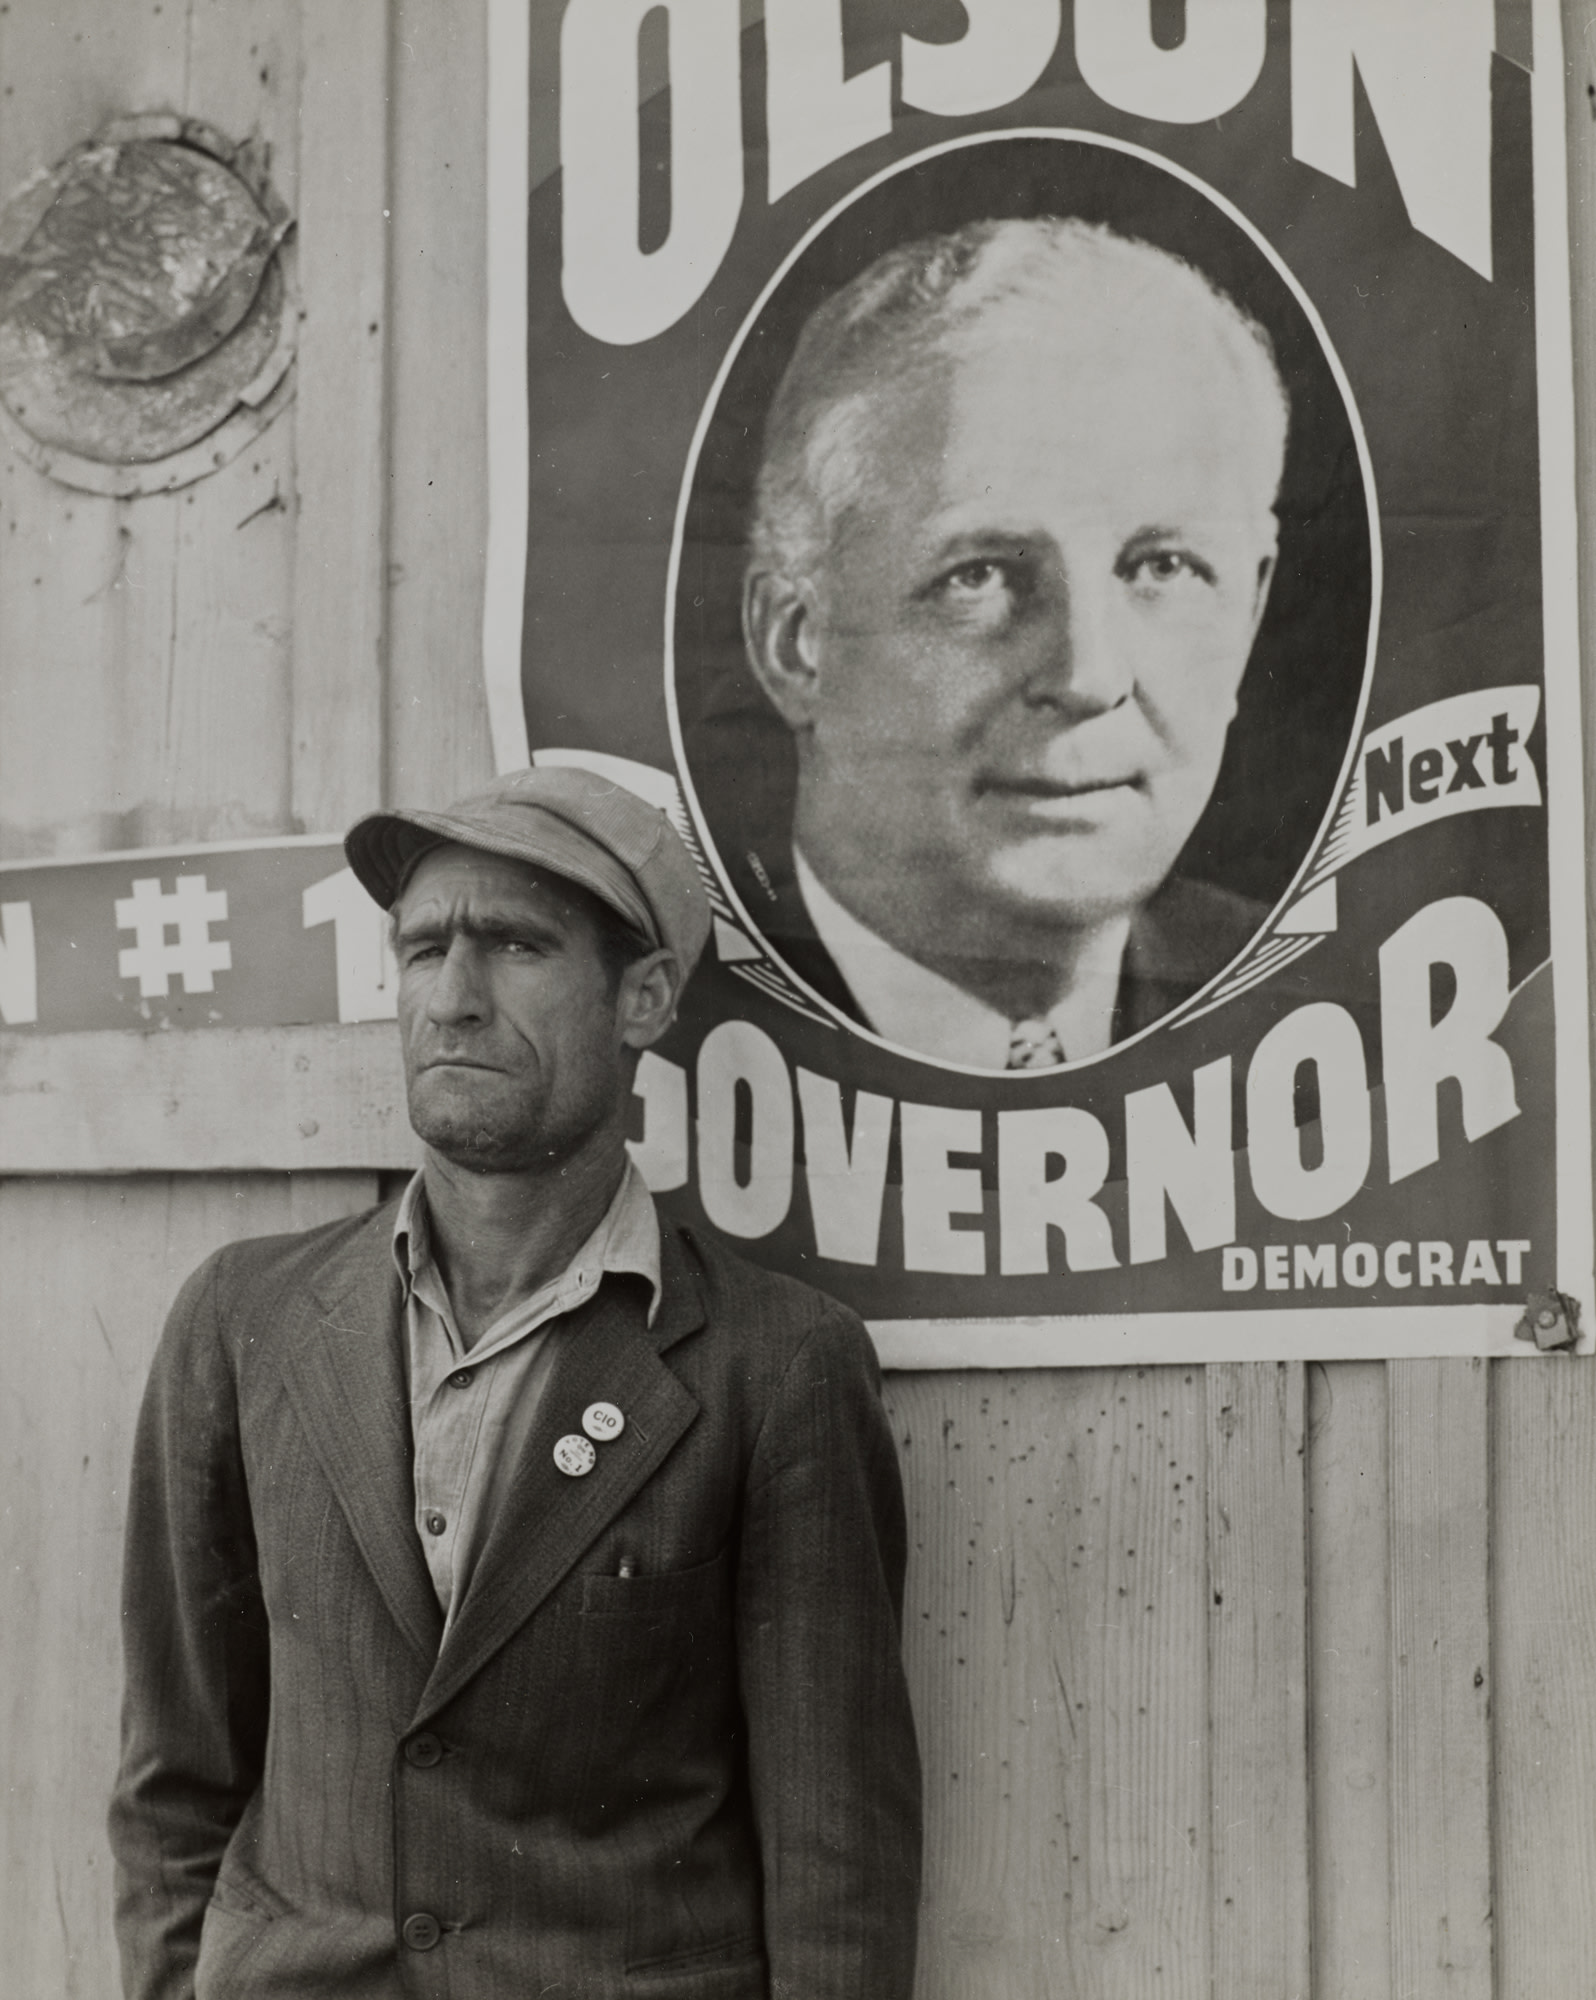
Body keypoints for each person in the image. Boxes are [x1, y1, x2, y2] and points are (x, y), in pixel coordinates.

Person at [108, 765, 921, 1999]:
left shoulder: (778, 1362)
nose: (453, 996)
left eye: (515, 944)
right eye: (423, 947)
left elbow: (836, 1857)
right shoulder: (245, 1317)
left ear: (644, 996)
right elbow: (175, 1779)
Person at [739, 215, 1288, 1069]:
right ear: (796, 643)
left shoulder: (1316, 993)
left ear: (1249, 613)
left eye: (1163, 567)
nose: (1089, 675)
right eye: (980, 575)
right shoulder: (647, 1005)